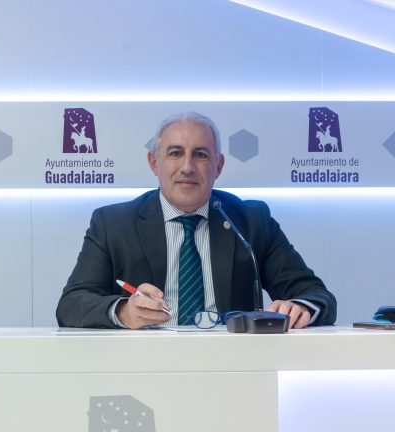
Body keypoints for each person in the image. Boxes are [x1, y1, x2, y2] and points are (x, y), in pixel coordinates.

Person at [56, 111, 336, 330]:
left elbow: (315, 294)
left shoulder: (250, 221)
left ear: (218, 165)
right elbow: (71, 304)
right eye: (175, 153)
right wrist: (123, 311)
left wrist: (300, 307)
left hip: (233, 364)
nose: (187, 167)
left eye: (200, 155)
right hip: (143, 363)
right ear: (154, 163)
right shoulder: (113, 223)